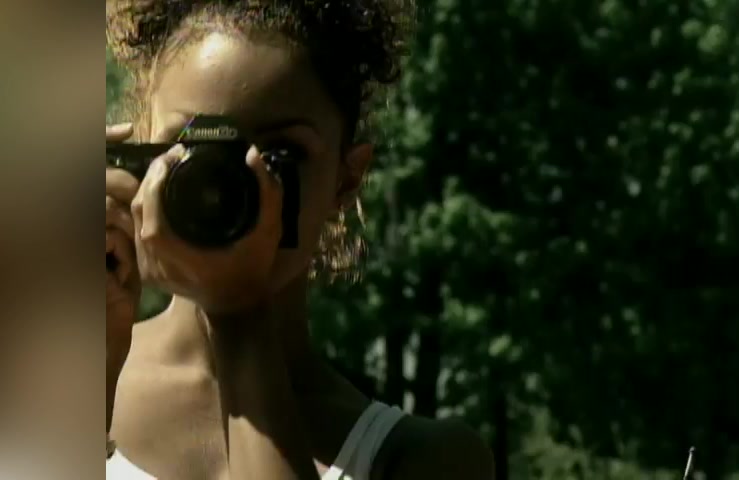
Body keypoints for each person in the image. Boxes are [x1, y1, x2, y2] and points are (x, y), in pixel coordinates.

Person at [104, 0, 494, 479]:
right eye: (193, 148)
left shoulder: (422, 458)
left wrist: (238, 313)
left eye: (279, 154)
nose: (231, 183)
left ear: (346, 179)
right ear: (142, 156)